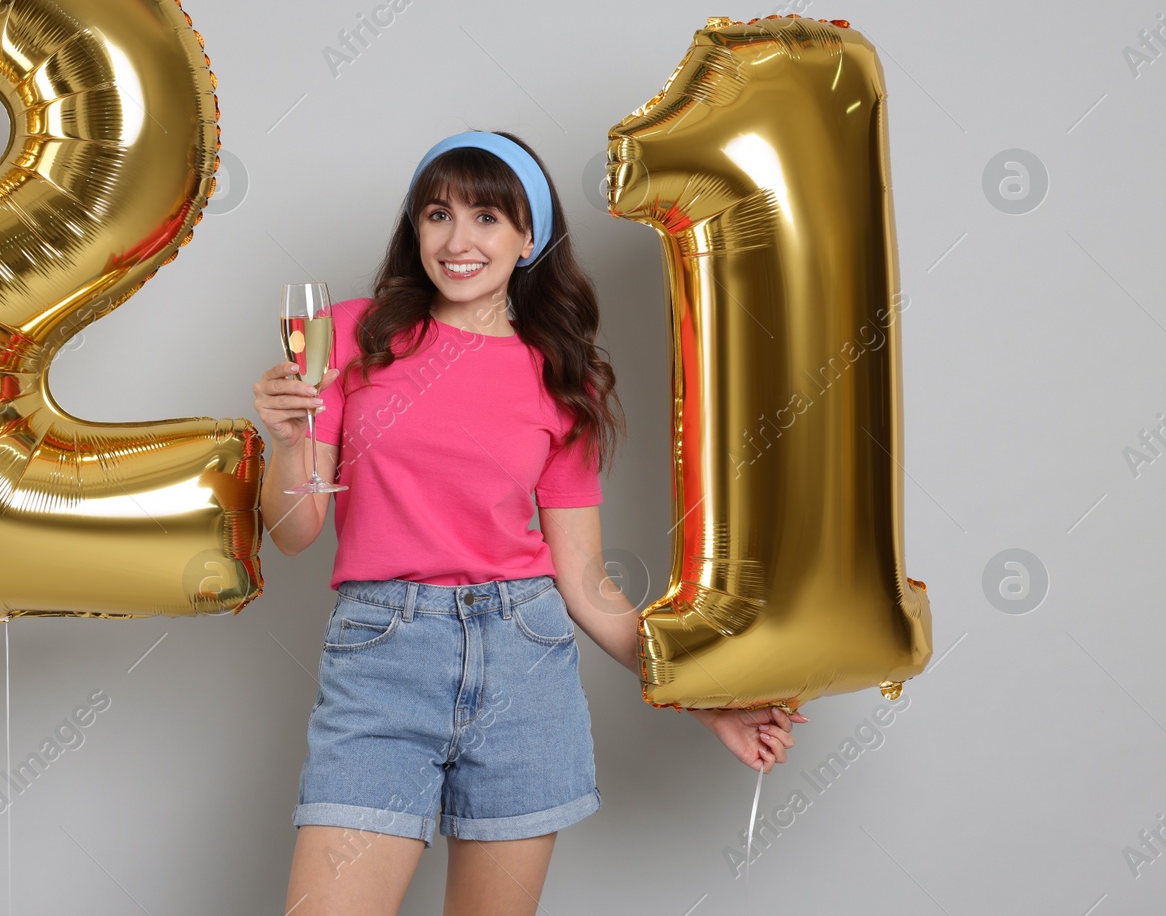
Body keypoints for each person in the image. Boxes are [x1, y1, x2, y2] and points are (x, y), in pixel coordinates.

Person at [252, 130, 808, 915]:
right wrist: (287, 441)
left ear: (529, 237)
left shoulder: (560, 377)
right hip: (382, 658)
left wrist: (703, 695)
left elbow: (586, 583)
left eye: (487, 217)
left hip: (525, 663)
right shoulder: (350, 335)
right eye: (438, 213)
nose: (457, 239)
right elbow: (295, 528)